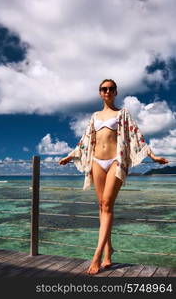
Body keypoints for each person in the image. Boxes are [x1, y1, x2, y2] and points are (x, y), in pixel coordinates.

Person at [59, 79, 169, 275]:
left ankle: (97, 255)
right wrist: (70, 155)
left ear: (116, 92)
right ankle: (109, 250)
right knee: (101, 206)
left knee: (108, 204)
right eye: (104, 89)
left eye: (110, 89)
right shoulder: (94, 116)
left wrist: (152, 156)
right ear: (100, 93)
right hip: (96, 162)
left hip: (115, 162)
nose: (107, 91)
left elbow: (137, 136)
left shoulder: (122, 114)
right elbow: (85, 140)